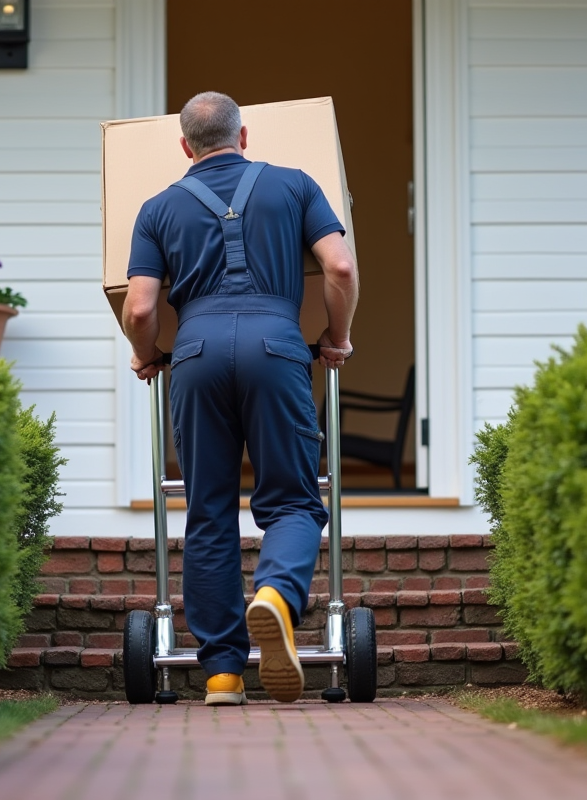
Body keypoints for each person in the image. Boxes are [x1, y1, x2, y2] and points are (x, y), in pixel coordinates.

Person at [122, 91, 359, 705]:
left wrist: (147, 354)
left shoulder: (156, 208)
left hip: (196, 354)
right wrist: (336, 337)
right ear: (244, 136)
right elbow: (339, 269)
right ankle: (276, 593)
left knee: (208, 511)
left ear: (185, 147)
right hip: (277, 347)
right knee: (294, 501)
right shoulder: (296, 184)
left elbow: (140, 308)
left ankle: (222, 674)